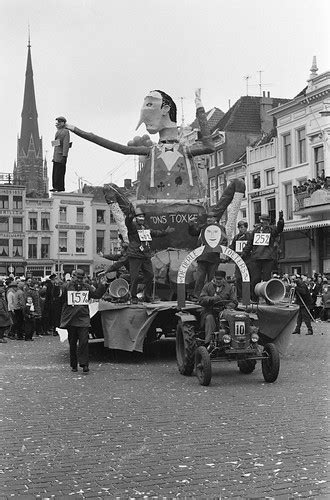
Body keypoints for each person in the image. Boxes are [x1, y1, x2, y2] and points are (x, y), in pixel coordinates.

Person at [60, 269, 107, 373]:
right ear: (73, 277)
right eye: (78, 278)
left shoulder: (87, 287)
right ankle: (73, 365)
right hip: (71, 319)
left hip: (83, 318)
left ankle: (84, 364)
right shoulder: (66, 286)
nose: (79, 280)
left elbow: (96, 295)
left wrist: (102, 285)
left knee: (84, 342)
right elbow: (60, 298)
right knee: (72, 343)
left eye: (81, 278)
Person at [125, 207, 174, 303]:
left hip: (145, 255)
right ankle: (133, 297)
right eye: (139, 217)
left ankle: (147, 295)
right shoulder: (133, 226)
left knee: (150, 275)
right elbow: (128, 222)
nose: (142, 218)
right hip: (135, 255)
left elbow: (155, 233)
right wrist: (129, 216)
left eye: (143, 216)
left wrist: (165, 232)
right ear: (136, 218)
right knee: (134, 277)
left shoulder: (146, 227)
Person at [241, 211, 284, 301]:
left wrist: (280, 221)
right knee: (255, 279)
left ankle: (267, 298)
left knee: (266, 279)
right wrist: (244, 253)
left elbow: (279, 229)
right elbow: (249, 244)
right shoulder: (255, 231)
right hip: (256, 258)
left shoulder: (271, 229)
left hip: (267, 258)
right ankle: (254, 298)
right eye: (261, 220)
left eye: (264, 220)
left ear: (268, 221)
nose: (262, 222)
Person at [188, 211, 227, 299]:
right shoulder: (203, 227)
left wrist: (222, 253)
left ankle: (210, 296)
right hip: (202, 257)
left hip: (213, 257)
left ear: (215, 219)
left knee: (211, 278)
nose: (209, 219)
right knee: (199, 278)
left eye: (211, 217)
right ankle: (197, 296)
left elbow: (224, 241)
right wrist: (191, 225)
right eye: (208, 217)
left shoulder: (220, 228)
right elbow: (193, 232)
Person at [198, 270, 238, 344]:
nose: (218, 281)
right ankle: (209, 342)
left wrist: (229, 307)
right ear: (214, 278)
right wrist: (212, 299)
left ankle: (232, 340)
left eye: (220, 279)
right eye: (217, 279)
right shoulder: (207, 286)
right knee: (209, 319)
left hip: (224, 311)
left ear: (224, 279)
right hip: (209, 311)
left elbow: (234, 301)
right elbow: (201, 299)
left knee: (233, 318)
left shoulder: (229, 288)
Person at [229, 220, 250, 300]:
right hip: (238, 260)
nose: (240, 230)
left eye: (242, 228)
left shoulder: (249, 236)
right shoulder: (236, 237)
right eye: (239, 228)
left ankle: (247, 296)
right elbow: (232, 247)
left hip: (248, 260)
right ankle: (240, 296)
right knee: (238, 278)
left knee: (247, 278)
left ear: (246, 228)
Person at [51, 116, 71, 192]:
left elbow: (65, 145)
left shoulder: (65, 132)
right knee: (55, 172)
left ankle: (60, 187)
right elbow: (56, 145)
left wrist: (64, 156)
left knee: (60, 172)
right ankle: (55, 186)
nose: (57, 123)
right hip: (56, 156)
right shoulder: (58, 131)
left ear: (63, 123)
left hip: (61, 155)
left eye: (59, 122)